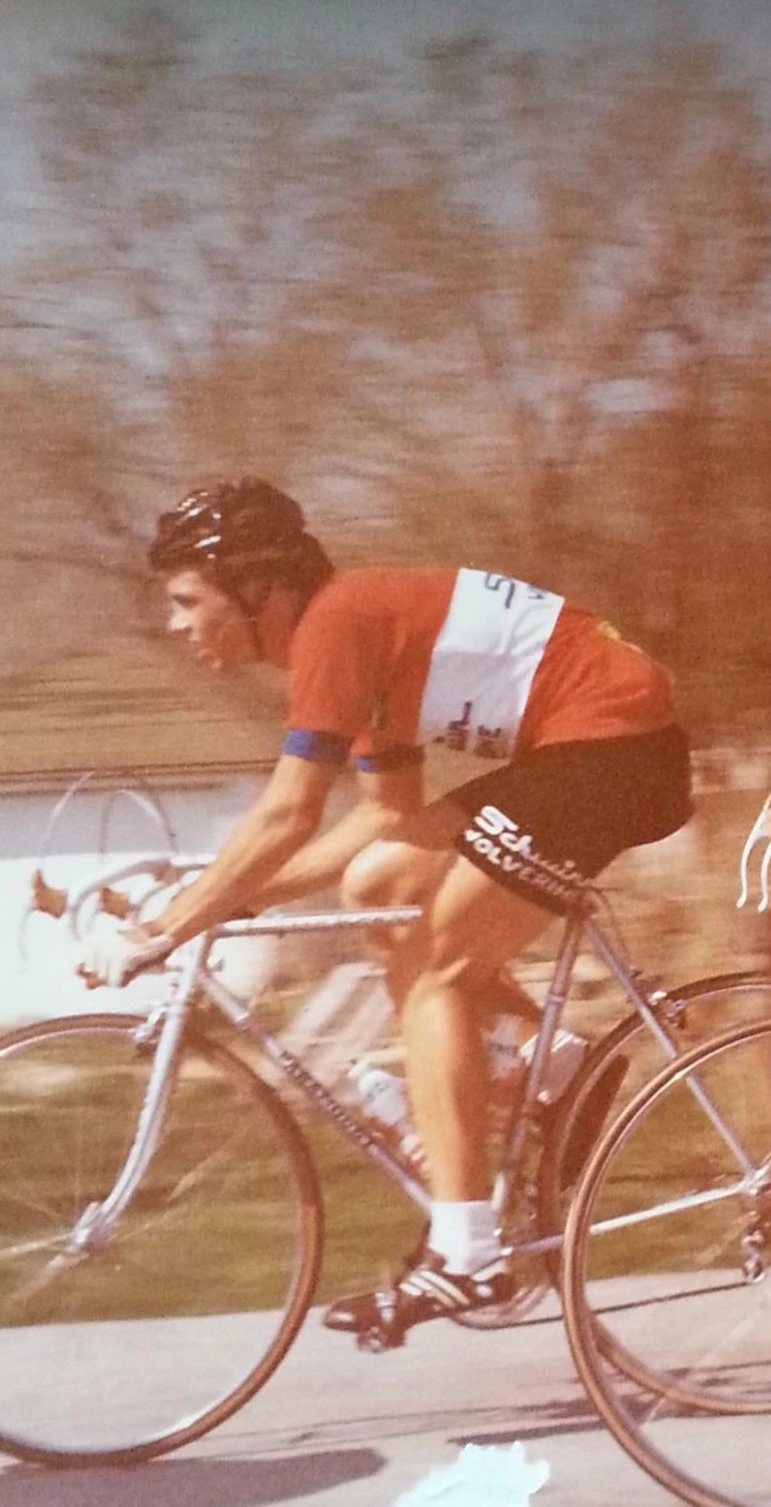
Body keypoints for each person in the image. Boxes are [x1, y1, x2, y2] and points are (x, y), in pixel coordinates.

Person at [80, 478, 687, 1343]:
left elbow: (287, 814)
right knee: (379, 884)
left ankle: (468, 1252)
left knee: (440, 972)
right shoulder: (352, 633)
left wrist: (166, 924)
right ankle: (545, 1060)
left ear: (258, 588)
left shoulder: (335, 623)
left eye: (187, 599)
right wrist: (230, 899)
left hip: (613, 750)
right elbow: (386, 818)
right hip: (592, 746)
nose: (176, 624)